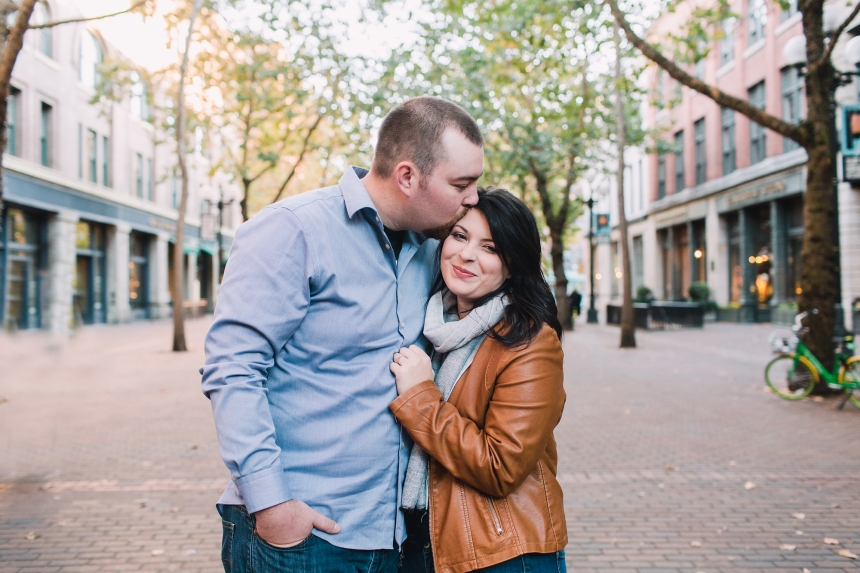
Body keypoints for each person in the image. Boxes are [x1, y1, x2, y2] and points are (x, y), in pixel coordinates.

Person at [201, 96, 484, 573]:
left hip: (391, 536)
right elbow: (233, 369)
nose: (473, 198)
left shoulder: (432, 249)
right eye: (462, 184)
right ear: (408, 176)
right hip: (302, 538)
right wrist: (272, 507)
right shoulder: (292, 230)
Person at [390, 188, 568, 573]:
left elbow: (499, 466)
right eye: (459, 236)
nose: (466, 254)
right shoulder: (432, 327)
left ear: (513, 264)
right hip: (422, 539)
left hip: (500, 549)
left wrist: (421, 398)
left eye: (490, 247)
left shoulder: (532, 343)